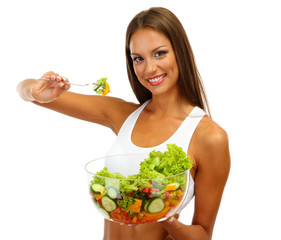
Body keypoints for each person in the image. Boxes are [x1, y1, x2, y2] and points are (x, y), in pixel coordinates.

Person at [16, 7, 230, 240]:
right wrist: (36, 89)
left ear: (180, 51)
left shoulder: (209, 136)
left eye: (159, 53)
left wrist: (166, 216)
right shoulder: (122, 114)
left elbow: (203, 235)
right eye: (138, 58)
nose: (149, 68)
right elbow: (27, 93)